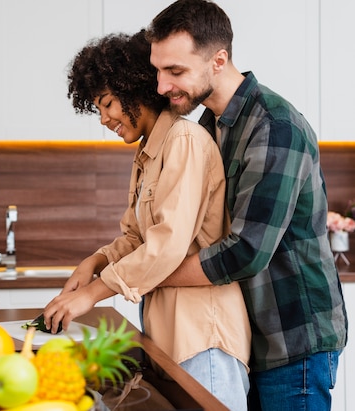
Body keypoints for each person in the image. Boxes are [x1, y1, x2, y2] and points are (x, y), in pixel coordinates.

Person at [144, 1, 348, 410]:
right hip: (252, 338)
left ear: (218, 60)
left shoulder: (274, 125)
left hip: (293, 339)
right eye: (158, 70)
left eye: (176, 71)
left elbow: (245, 250)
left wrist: (149, 275)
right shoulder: (208, 126)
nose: (162, 86)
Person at [42, 31, 251, 410]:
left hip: (203, 337)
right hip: (171, 337)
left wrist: (91, 294)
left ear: (135, 87)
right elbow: (138, 237)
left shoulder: (183, 140)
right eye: (97, 109)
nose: (104, 119)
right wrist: (96, 261)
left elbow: (166, 245)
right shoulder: (149, 152)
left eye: (108, 104)